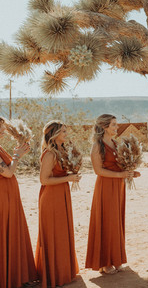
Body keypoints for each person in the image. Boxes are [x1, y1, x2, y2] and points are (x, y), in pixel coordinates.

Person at [85, 114, 140, 274]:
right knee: (107, 222)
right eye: (113, 125)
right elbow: (98, 171)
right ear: (104, 127)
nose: (116, 127)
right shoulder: (97, 146)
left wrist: (130, 172)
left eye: (116, 125)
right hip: (106, 187)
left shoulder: (116, 143)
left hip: (118, 186)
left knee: (116, 221)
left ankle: (116, 259)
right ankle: (105, 262)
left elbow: (119, 165)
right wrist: (120, 175)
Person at [35, 121, 81, 288]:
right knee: (54, 233)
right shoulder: (49, 154)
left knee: (63, 231)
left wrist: (71, 174)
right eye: (62, 131)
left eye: (66, 130)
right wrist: (68, 178)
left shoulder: (62, 151)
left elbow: (59, 173)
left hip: (62, 194)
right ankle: (53, 275)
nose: (66, 134)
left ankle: (63, 271)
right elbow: (44, 180)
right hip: (51, 198)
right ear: (53, 134)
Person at [0, 117, 37, 288]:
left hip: (8, 196)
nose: (2, 132)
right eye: (0, 129)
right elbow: (7, 173)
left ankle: (14, 276)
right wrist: (17, 156)